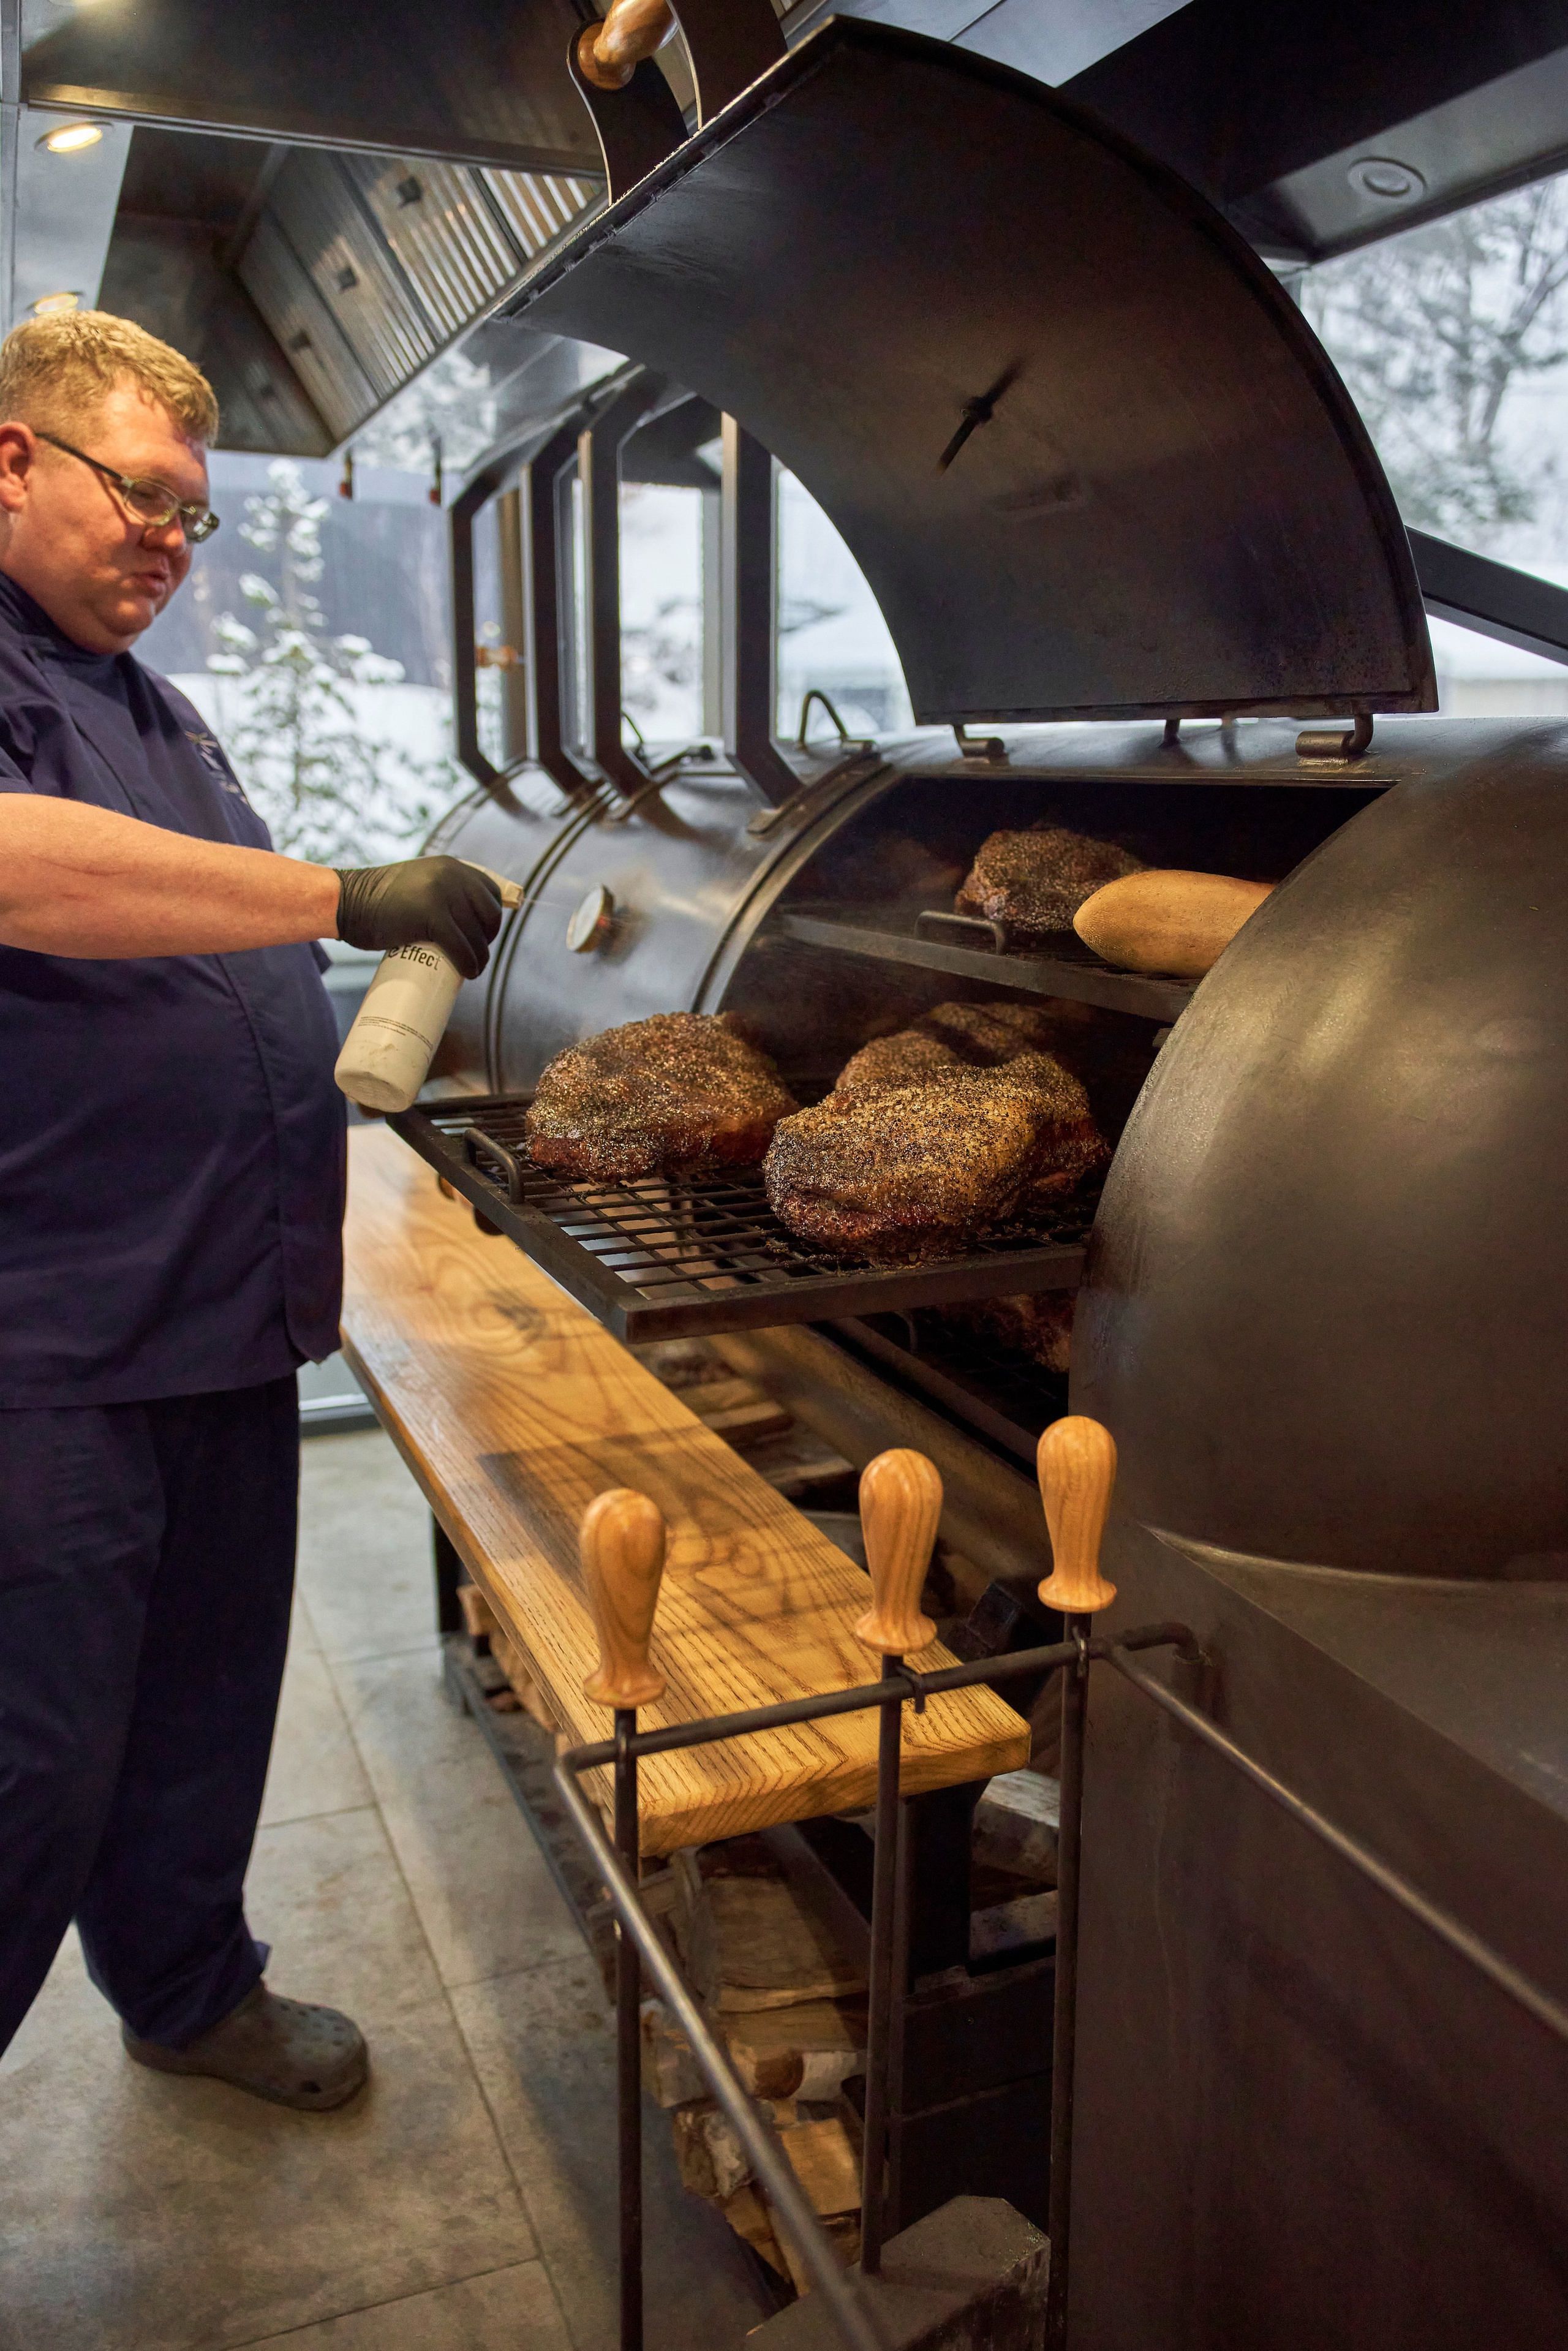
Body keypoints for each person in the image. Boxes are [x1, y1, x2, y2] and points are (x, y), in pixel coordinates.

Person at [0, 309, 501, 2110]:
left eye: (191, 515)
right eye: (141, 493)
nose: (170, 540)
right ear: (12, 460)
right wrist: (344, 896)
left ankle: (189, 1989)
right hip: (48, 1341)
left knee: (202, 1710)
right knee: (33, 1759)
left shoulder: (147, 703)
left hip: (218, 1312)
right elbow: (19, 870)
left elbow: (193, 933)